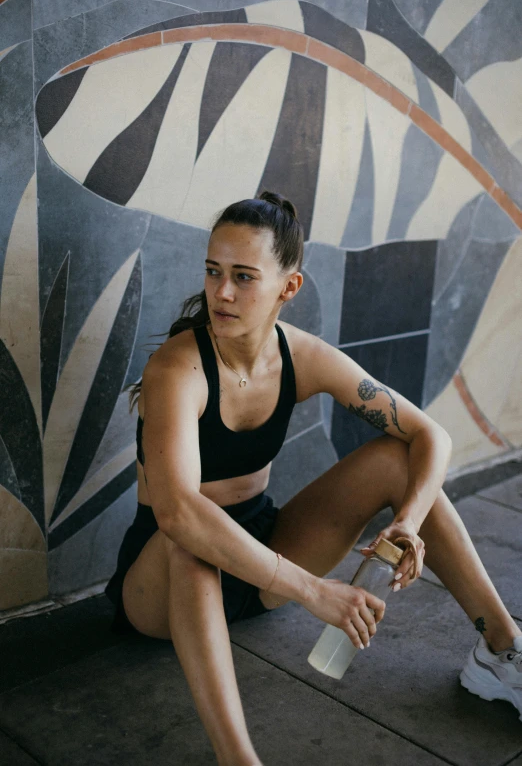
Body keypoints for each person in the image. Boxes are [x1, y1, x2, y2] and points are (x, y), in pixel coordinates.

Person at [104, 190, 522, 766]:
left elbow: (432, 436)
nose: (222, 292)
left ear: (288, 288)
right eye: (213, 271)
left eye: (244, 276)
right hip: (159, 589)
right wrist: (312, 590)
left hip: (259, 560)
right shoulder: (178, 369)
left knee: (396, 460)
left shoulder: (302, 357)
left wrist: (406, 523)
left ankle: (503, 653)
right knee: (191, 538)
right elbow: (177, 512)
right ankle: (239, 759)